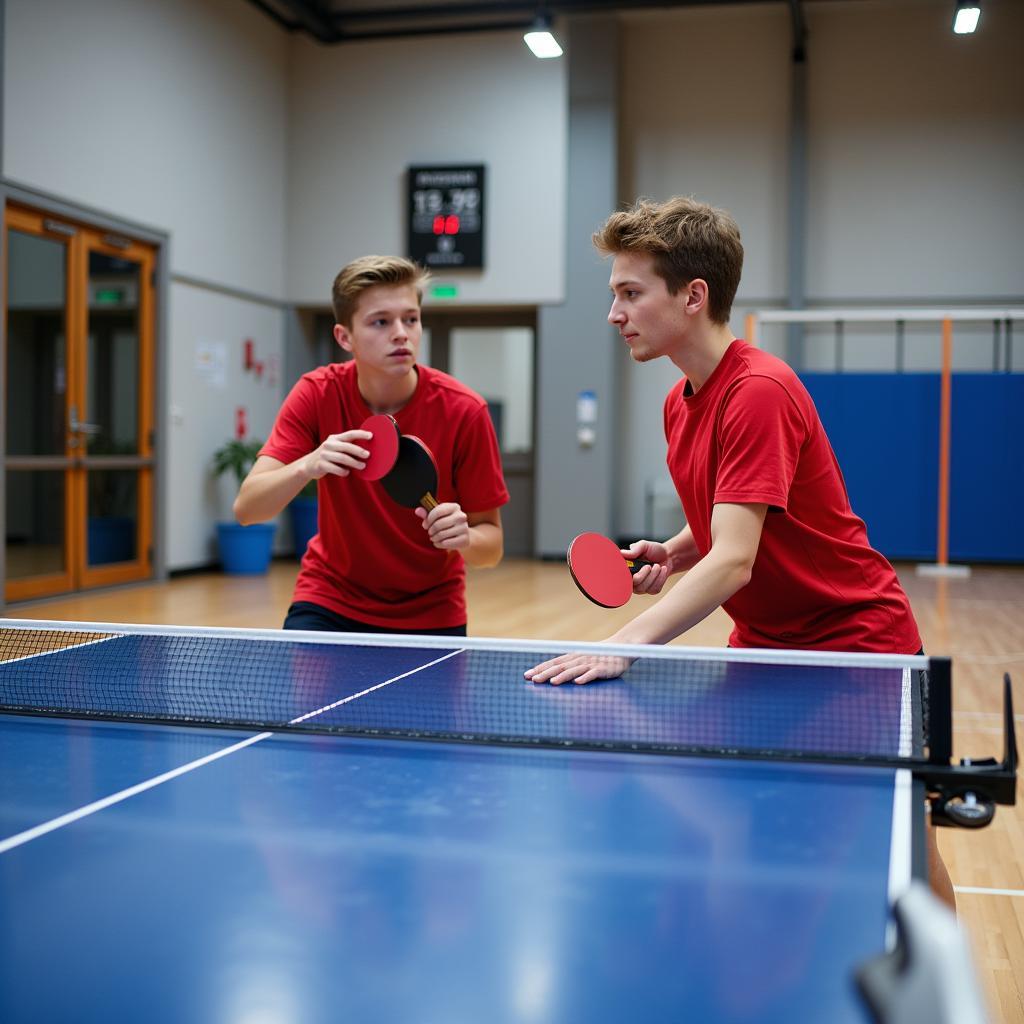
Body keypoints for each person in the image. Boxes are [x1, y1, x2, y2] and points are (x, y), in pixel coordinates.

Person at [524, 196, 955, 909]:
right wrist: (677, 548)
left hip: (854, 645)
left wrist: (623, 645)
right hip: (766, 645)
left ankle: (949, 989)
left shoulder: (757, 390)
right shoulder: (680, 399)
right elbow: (735, 517)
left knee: (898, 840)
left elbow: (736, 560)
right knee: (745, 816)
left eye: (631, 293)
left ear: (694, 297)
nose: (614, 313)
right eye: (614, 295)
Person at [234, 254, 508, 636]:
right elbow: (247, 509)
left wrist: (465, 538)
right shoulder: (317, 393)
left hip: (430, 610)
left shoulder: (464, 410)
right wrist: (307, 465)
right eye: (381, 321)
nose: (401, 333)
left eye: (410, 319)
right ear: (344, 337)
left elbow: (491, 547)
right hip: (329, 599)